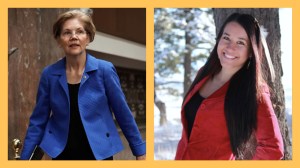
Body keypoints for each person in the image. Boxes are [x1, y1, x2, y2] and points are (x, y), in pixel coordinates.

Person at [20, 10, 146, 160]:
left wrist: (140, 152)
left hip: (99, 153)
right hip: (61, 153)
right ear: (59, 39)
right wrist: (24, 159)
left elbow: (122, 113)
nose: (73, 37)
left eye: (79, 31)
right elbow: (38, 121)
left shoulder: (104, 70)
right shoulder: (49, 74)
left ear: (88, 37)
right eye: (67, 33)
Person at [175, 13, 284, 160]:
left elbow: (273, 148)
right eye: (226, 38)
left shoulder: (254, 91)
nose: (230, 47)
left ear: (251, 52)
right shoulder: (204, 73)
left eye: (241, 42)